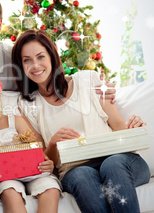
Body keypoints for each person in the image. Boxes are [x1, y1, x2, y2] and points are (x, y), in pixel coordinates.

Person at [11, 29, 150, 213]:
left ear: (52, 56)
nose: (35, 65)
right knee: (82, 174)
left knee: (112, 164)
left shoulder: (88, 80)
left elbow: (119, 126)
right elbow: (44, 163)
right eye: (27, 60)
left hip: (122, 162)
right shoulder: (27, 105)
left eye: (40, 56)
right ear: (21, 66)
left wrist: (134, 126)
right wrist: (53, 143)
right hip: (74, 170)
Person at [0, 70, 61, 213]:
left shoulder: (14, 120)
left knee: (50, 189)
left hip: (34, 173)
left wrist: (47, 163)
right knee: (10, 193)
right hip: (4, 179)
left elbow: (36, 150)